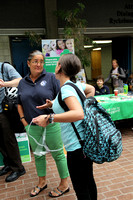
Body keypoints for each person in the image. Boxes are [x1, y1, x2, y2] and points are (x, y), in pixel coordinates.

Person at [32, 54, 97, 200]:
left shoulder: (67, 89)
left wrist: (50, 118)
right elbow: (91, 89)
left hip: (76, 148)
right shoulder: (75, 85)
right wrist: (53, 104)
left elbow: (78, 114)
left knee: (81, 187)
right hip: (85, 142)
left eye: (57, 64)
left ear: (60, 67)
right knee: (88, 181)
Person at [17, 50, 69, 198]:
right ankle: (42, 182)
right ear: (28, 63)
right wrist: (24, 121)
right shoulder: (22, 82)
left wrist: (51, 115)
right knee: (38, 156)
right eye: (35, 61)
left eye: (41, 61)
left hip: (52, 124)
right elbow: (19, 103)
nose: (38, 64)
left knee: (58, 154)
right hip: (32, 127)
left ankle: (64, 184)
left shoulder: (52, 78)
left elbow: (61, 100)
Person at [0, 62, 26, 182]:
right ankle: (8, 164)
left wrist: (4, 84)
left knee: (8, 139)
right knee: (0, 141)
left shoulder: (4, 67)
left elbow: (20, 81)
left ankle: (18, 168)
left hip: (4, 110)